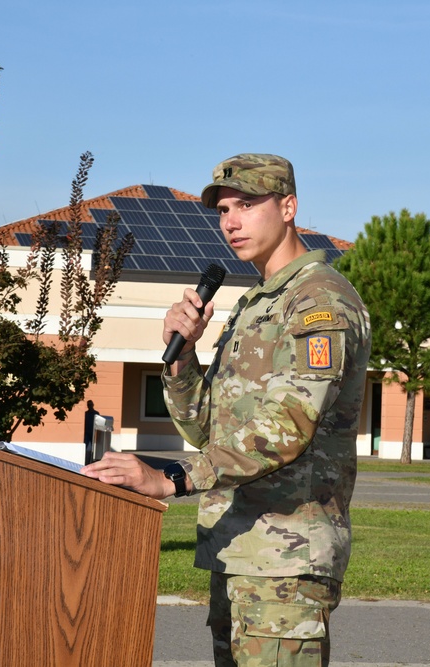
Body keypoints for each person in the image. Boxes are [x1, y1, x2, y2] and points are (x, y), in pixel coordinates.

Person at [82, 153, 371, 666]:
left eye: (247, 204)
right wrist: (182, 356)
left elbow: (285, 429)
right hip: (237, 549)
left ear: (288, 207)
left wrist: (170, 478)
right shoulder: (256, 303)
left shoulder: (318, 303)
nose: (231, 221)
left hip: (287, 563)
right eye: (222, 210)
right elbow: (206, 427)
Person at [83, 400, 98, 465]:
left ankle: (92, 462)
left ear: (93, 405)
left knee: (93, 449)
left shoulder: (96, 413)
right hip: (87, 433)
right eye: (88, 405)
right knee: (87, 448)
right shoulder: (86, 413)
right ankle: (87, 462)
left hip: (93, 432)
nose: (90, 406)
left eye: (90, 404)